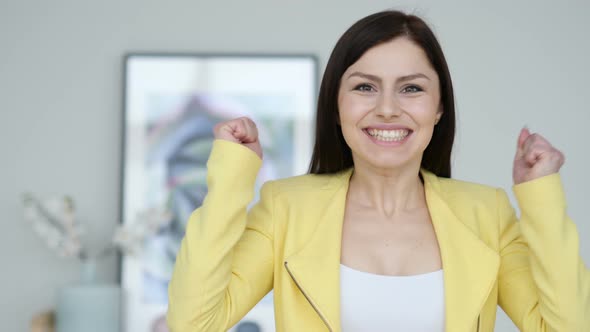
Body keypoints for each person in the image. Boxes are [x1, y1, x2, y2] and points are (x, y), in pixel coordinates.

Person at [166, 10, 589, 332]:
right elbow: (194, 323)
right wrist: (232, 178)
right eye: (365, 86)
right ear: (337, 104)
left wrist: (542, 198)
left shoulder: (487, 213)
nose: (387, 108)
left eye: (412, 88)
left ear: (439, 108)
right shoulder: (286, 208)